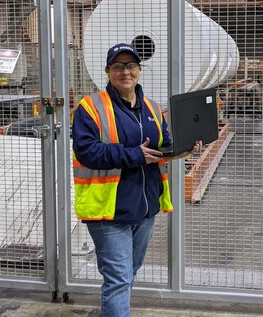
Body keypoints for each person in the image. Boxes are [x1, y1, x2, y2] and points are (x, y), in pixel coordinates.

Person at [71, 43, 201, 317]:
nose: (125, 72)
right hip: (109, 211)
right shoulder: (91, 107)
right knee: (118, 279)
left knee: (128, 272)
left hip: (144, 210)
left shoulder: (152, 109)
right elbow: (87, 151)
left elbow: (162, 147)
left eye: (131, 66)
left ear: (140, 70)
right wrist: (134, 155)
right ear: (108, 72)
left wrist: (185, 148)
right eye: (118, 67)